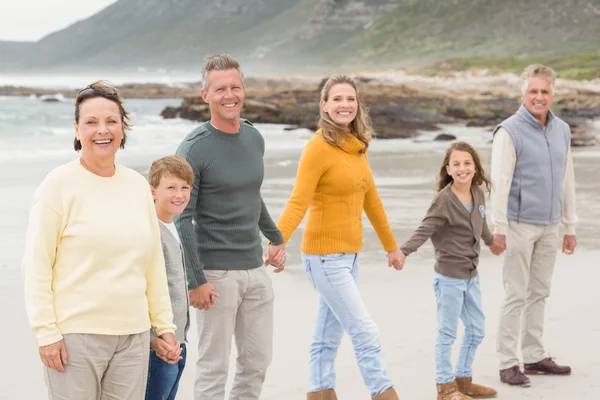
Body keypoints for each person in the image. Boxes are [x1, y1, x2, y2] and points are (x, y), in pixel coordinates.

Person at [22, 81, 179, 399]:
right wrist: (46, 333)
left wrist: (163, 327)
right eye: (91, 122)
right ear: (77, 130)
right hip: (75, 338)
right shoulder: (58, 186)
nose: (102, 130)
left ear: (123, 128)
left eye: (111, 121)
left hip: (132, 338)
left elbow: (152, 265)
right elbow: (36, 265)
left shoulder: (137, 186)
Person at [276, 75, 403, 400]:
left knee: (328, 334)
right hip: (324, 257)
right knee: (364, 330)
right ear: (324, 105)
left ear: (357, 105)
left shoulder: (357, 146)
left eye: (350, 99)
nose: (345, 104)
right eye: (337, 99)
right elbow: (298, 200)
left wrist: (391, 247)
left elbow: (371, 199)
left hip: (350, 256)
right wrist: (277, 240)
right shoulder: (318, 148)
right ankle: (382, 392)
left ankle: (319, 391)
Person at [174, 54, 285, 400]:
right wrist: (196, 280)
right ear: (205, 94)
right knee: (213, 368)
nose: (229, 95)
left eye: (235, 87)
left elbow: (250, 195)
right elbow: (182, 217)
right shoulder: (194, 148)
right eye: (220, 88)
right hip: (216, 275)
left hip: (255, 270)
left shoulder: (254, 137)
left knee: (257, 362)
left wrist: (276, 237)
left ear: (243, 90)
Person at [492, 64, 577, 387]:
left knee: (539, 291)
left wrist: (569, 225)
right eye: (533, 91)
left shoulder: (563, 130)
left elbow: (567, 178)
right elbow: (500, 182)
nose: (538, 97)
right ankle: (507, 362)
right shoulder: (508, 131)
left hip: (550, 225)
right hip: (517, 225)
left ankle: (534, 354)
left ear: (553, 95)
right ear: (522, 95)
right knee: (516, 293)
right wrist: (498, 227)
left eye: (544, 91)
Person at [400, 141, 501, 400]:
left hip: (471, 276)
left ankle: (463, 382)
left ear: (475, 168)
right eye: (456, 164)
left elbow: (481, 221)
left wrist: (491, 242)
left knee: (476, 329)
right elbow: (425, 229)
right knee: (447, 333)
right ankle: (445, 388)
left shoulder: (477, 193)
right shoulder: (444, 200)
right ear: (448, 169)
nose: (462, 168)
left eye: (467, 163)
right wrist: (403, 251)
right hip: (449, 279)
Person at [146, 155, 201, 400]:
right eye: (171, 187)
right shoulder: (150, 231)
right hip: (158, 346)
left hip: (178, 342)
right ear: (153, 191)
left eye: (184, 188)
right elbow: (141, 289)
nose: (179, 194)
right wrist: (152, 339)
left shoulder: (173, 227)